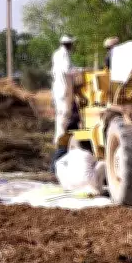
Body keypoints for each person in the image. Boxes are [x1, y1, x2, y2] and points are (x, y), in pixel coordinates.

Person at [50, 35, 75, 172]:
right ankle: (58, 160)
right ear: (69, 45)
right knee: (63, 123)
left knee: (60, 122)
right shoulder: (64, 55)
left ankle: (58, 156)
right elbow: (67, 70)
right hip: (64, 92)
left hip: (59, 92)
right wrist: (78, 71)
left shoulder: (57, 54)